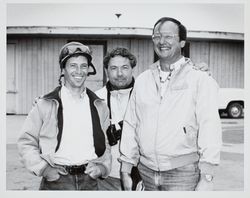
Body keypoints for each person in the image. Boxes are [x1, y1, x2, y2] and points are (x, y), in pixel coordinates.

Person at [119, 17, 222, 191]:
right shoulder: (143, 80)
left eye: (168, 36)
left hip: (184, 174)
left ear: (182, 42)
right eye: (157, 36)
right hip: (146, 172)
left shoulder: (199, 79)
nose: (161, 41)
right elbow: (131, 124)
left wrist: (207, 176)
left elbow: (210, 126)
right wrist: (126, 167)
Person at [17, 41, 111, 190]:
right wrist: (44, 169)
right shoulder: (46, 104)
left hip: (90, 181)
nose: (78, 71)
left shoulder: (99, 106)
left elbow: (105, 143)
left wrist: (103, 168)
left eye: (83, 66)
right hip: (56, 181)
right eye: (73, 65)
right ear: (63, 69)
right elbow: (26, 142)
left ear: (88, 70)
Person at [95, 47, 143, 191]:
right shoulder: (95, 99)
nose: (120, 73)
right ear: (106, 70)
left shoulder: (146, 94)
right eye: (114, 68)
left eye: (125, 67)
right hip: (107, 178)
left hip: (143, 175)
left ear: (132, 69)